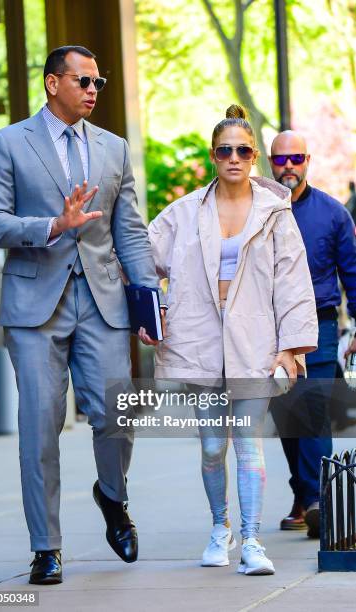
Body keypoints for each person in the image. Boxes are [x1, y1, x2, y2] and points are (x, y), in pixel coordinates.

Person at [0, 45, 159, 584]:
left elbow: (128, 230)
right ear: (53, 83)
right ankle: (46, 546)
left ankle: (111, 494)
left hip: (102, 304)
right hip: (35, 307)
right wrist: (51, 226)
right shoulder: (8, 143)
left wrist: (148, 301)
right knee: (40, 427)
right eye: (84, 81)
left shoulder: (114, 148)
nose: (93, 90)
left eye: (98, 82)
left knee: (117, 418)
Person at [142, 105, 318, 575]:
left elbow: (294, 283)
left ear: (254, 156)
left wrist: (290, 347)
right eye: (225, 151)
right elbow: (139, 262)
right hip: (199, 342)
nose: (234, 158)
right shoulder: (183, 213)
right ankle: (220, 529)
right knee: (210, 447)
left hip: (254, 344)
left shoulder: (277, 214)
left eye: (242, 150)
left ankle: (253, 542)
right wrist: (150, 311)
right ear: (213, 157)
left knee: (248, 443)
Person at [269, 131, 356, 537]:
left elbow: (352, 275)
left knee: (314, 413)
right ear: (269, 162)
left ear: (308, 160)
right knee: (287, 420)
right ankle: (303, 494)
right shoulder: (257, 210)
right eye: (281, 159)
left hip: (318, 326)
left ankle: (321, 500)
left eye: (296, 158)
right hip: (267, 332)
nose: (289, 165)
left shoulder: (334, 214)